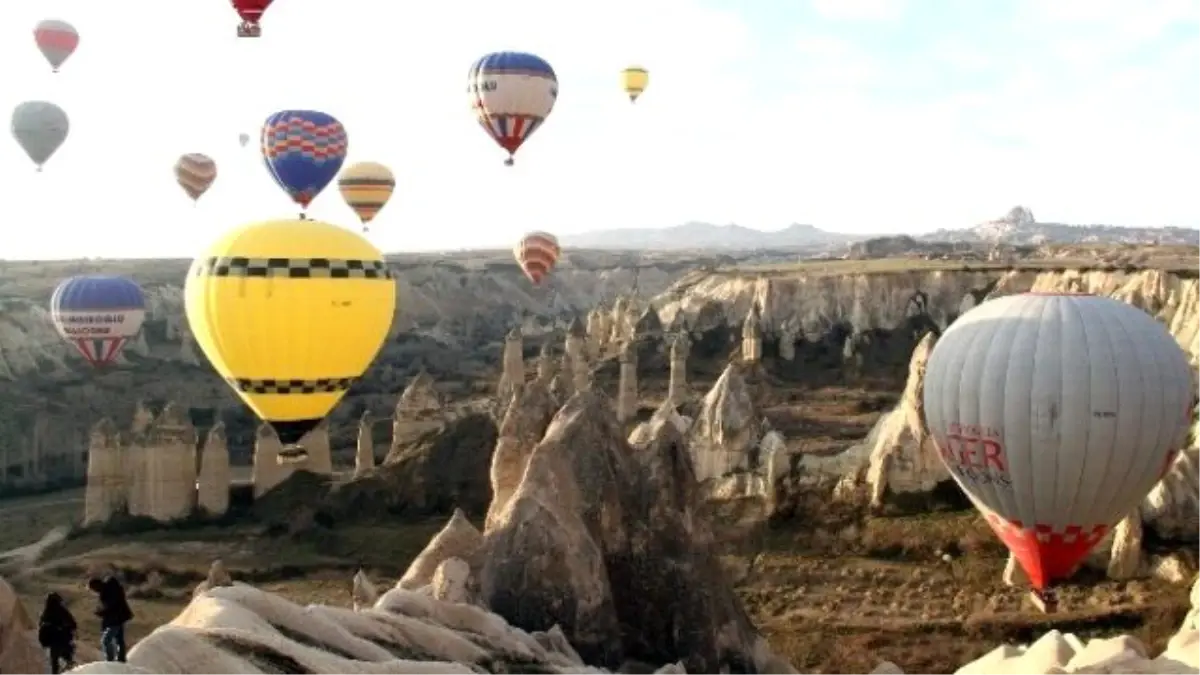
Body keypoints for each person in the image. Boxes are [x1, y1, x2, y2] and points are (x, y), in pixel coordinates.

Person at [87, 575, 133, 661]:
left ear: (96, 586)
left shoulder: (108, 591)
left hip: (115, 619)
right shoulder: (111, 589)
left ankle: (110, 661)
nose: (94, 591)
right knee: (119, 641)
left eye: (93, 589)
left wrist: (101, 612)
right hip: (119, 617)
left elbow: (112, 606)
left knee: (106, 641)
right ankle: (121, 660)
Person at [38, 592, 77, 675]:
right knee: (62, 657)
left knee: (55, 660)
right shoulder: (60, 610)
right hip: (59, 638)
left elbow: (41, 624)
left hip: (55, 639)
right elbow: (73, 624)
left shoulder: (47, 611)